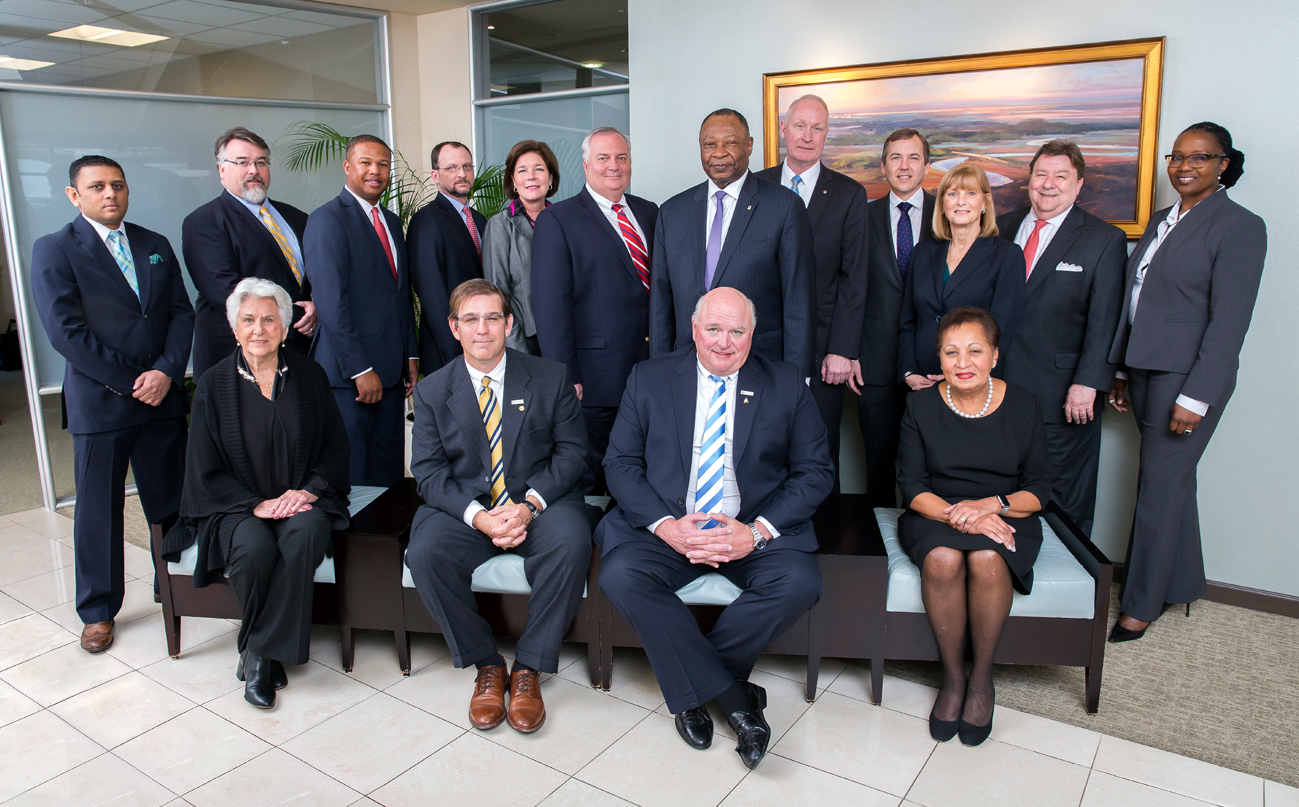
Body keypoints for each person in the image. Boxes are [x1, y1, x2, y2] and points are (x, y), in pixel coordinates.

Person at [597, 288, 834, 770]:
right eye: (714, 329)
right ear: (693, 328)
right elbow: (619, 464)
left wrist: (758, 531)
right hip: (671, 527)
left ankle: (691, 691)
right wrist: (666, 527)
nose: (724, 342)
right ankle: (736, 700)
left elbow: (816, 472)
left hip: (748, 529)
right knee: (619, 574)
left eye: (737, 331)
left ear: (752, 333)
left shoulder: (785, 383)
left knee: (801, 582)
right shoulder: (650, 378)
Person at [406, 278, 594, 734]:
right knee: (425, 553)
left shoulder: (549, 377)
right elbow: (428, 472)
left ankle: (529, 667)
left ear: (509, 324)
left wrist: (528, 507)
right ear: (454, 328)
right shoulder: (432, 391)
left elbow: (573, 455)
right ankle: (487, 665)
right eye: (470, 319)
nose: (483, 329)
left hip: (537, 504)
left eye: (493, 317)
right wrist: (481, 518)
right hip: (470, 510)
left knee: (571, 542)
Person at [1106, 122, 1267, 642]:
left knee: (1158, 485)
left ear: (1224, 164)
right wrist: (1124, 369)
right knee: (1173, 482)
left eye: (1200, 157)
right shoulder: (1162, 220)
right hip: (1147, 367)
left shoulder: (1240, 226)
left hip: (1188, 377)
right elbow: (1140, 301)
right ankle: (1183, 582)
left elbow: (1230, 322)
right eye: (1177, 156)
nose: (1184, 166)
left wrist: (1196, 395)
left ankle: (1141, 602)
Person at [161, 279, 350, 709]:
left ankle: (259, 654)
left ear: (285, 327)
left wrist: (307, 492)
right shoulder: (212, 385)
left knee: (302, 538)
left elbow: (337, 449)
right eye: (248, 320)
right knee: (254, 550)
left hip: (302, 499)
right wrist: (254, 504)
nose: (259, 329)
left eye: (269, 319)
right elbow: (202, 467)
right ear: (234, 328)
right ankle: (268, 649)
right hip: (237, 506)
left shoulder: (311, 376)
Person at [30, 156, 194, 653]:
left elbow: (181, 314)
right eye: (97, 186)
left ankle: (172, 587)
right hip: (101, 405)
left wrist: (166, 372)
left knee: (169, 504)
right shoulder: (55, 250)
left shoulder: (154, 244)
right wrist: (132, 382)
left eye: (118, 185)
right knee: (99, 511)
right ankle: (98, 611)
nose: (110, 194)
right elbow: (66, 333)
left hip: (162, 401)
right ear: (73, 195)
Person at [896, 306, 1053, 746]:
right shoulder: (920, 403)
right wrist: (963, 515)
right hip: (935, 513)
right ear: (939, 359)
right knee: (944, 559)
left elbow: (1041, 489)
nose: (962, 363)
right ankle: (952, 678)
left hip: (1006, 515)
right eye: (950, 352)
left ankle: (981, 679)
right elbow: (911, 486)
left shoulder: (1024, 404)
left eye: (974, 351)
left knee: (987, 558)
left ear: (995, 356)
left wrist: (990, 508)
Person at [997, 140, 1126, 536]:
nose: (1048, 184)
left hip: (1063, 395)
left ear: (1078, 184)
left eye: (1060, 176)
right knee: (1003, 489)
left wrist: (1088, 384)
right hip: (997, 391)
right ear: (1030, 180)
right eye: (1041, 174)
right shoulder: (1001, 227)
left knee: (1062, 496)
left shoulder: (1103, 239)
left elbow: (1106, 320)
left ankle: (1068, 586)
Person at [532, 127, 659, 494]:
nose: (613, 166)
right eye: (603, 158)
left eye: (621, 158)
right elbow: (550, 306)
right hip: (593, 380)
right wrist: (566, 376)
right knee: (594, 478)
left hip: (648, 371)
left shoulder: (649, 212)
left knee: (642, 472)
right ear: (586, 166)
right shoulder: (559, 221)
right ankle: (589, 549)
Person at [649, 108, 816, 379]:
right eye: (709, 144)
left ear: (749, 146)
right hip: (685, 367)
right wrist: (657, 371)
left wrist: (798, 377)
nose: (719, 152)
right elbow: (660, 304)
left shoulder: (784, 207)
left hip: (762, 365)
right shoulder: (671, 212)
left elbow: (799, 300)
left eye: (730, 142)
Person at [754, 94, 868, 480]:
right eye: (800, 125)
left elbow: (855, 278)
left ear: (826, 135)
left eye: (817, 128)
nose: (807, 135)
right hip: (761, 344)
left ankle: (823, 534)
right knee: (761, 444)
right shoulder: (756, 186)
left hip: (824, 351)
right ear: (783, 129)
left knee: (818, 447)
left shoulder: (849, 194)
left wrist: (842, 349)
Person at [304, 134, 418, 487]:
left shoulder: (391, 222)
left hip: (391, 375)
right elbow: (331, 304)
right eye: (366, 163)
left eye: (383, 165)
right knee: (353, 478)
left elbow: (401, 296)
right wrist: (360, 369)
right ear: (348, 166)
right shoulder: (327, 220)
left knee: (387, 474)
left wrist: (410, 356)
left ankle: (387, 543)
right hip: (350, 378)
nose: (375, 171)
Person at [182, 127, 314, 380]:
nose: (253, 170)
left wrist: (318, 308)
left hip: (299, 353)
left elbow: (315, 277)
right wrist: (300, 316)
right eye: (242, 163)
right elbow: (224, 289)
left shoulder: (297, 218)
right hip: (237, 358)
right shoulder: (204, 222)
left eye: (260, 162)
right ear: (222, 170)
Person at [849, 129, 936, 508]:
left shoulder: (948, 214)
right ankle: (882, 554)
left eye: (913, 157)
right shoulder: (860, 216)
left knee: (934, 465)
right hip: (874, 363)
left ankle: (930, 548)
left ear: (927, 166)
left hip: (934, 364)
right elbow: (846, 289)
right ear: (883, 166)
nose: (904, 166)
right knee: (879, 466)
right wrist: (847, 351)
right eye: (896, 158)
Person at [898, 163, 1023, 387]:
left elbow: (1002, 329)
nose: (961, 201)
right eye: (953, 194)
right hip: (922, 380)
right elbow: (908, 322)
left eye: (971, 193)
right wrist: (909, 372)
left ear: (985, 202)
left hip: (975, 381)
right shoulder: (922, 253)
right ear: (943, 204)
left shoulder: (1007, 255)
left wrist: (959, 374)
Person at [409, 141, 487, 373]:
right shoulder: (426, 221)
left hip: (481, 344)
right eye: (451, 168)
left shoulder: (480, 219)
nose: (462, 174)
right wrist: (458, 352)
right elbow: (433, 297)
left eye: (467, 167)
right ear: (435, 175)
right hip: (449, 352)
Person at [482, 140, 560, 356]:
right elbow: (497, 295)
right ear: (514, 181)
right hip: (526, 341)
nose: (531, 176)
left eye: (539, 169)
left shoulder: (565, 221)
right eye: (522, 170)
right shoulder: (499, 225)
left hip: (564, 334)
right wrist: (518, 352)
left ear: (551, 178)